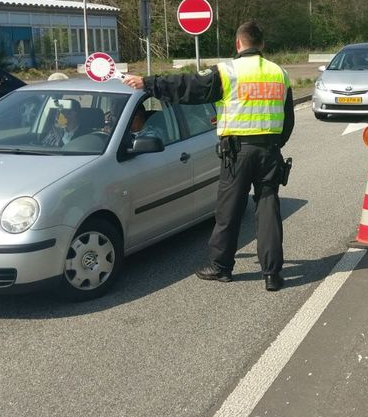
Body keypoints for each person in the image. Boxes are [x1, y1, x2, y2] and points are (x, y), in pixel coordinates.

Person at [121, 20, 294, 291]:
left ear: (238, 44)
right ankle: (272, 274)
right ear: (262, 45)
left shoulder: (228, 72)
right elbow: (288, 120)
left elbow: (187, 87)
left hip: (237, 153)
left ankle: (221, 267)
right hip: (270, 151)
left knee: (229, 211)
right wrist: (273, 143)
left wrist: (148, 83)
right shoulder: (279, 73)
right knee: (268, 208)